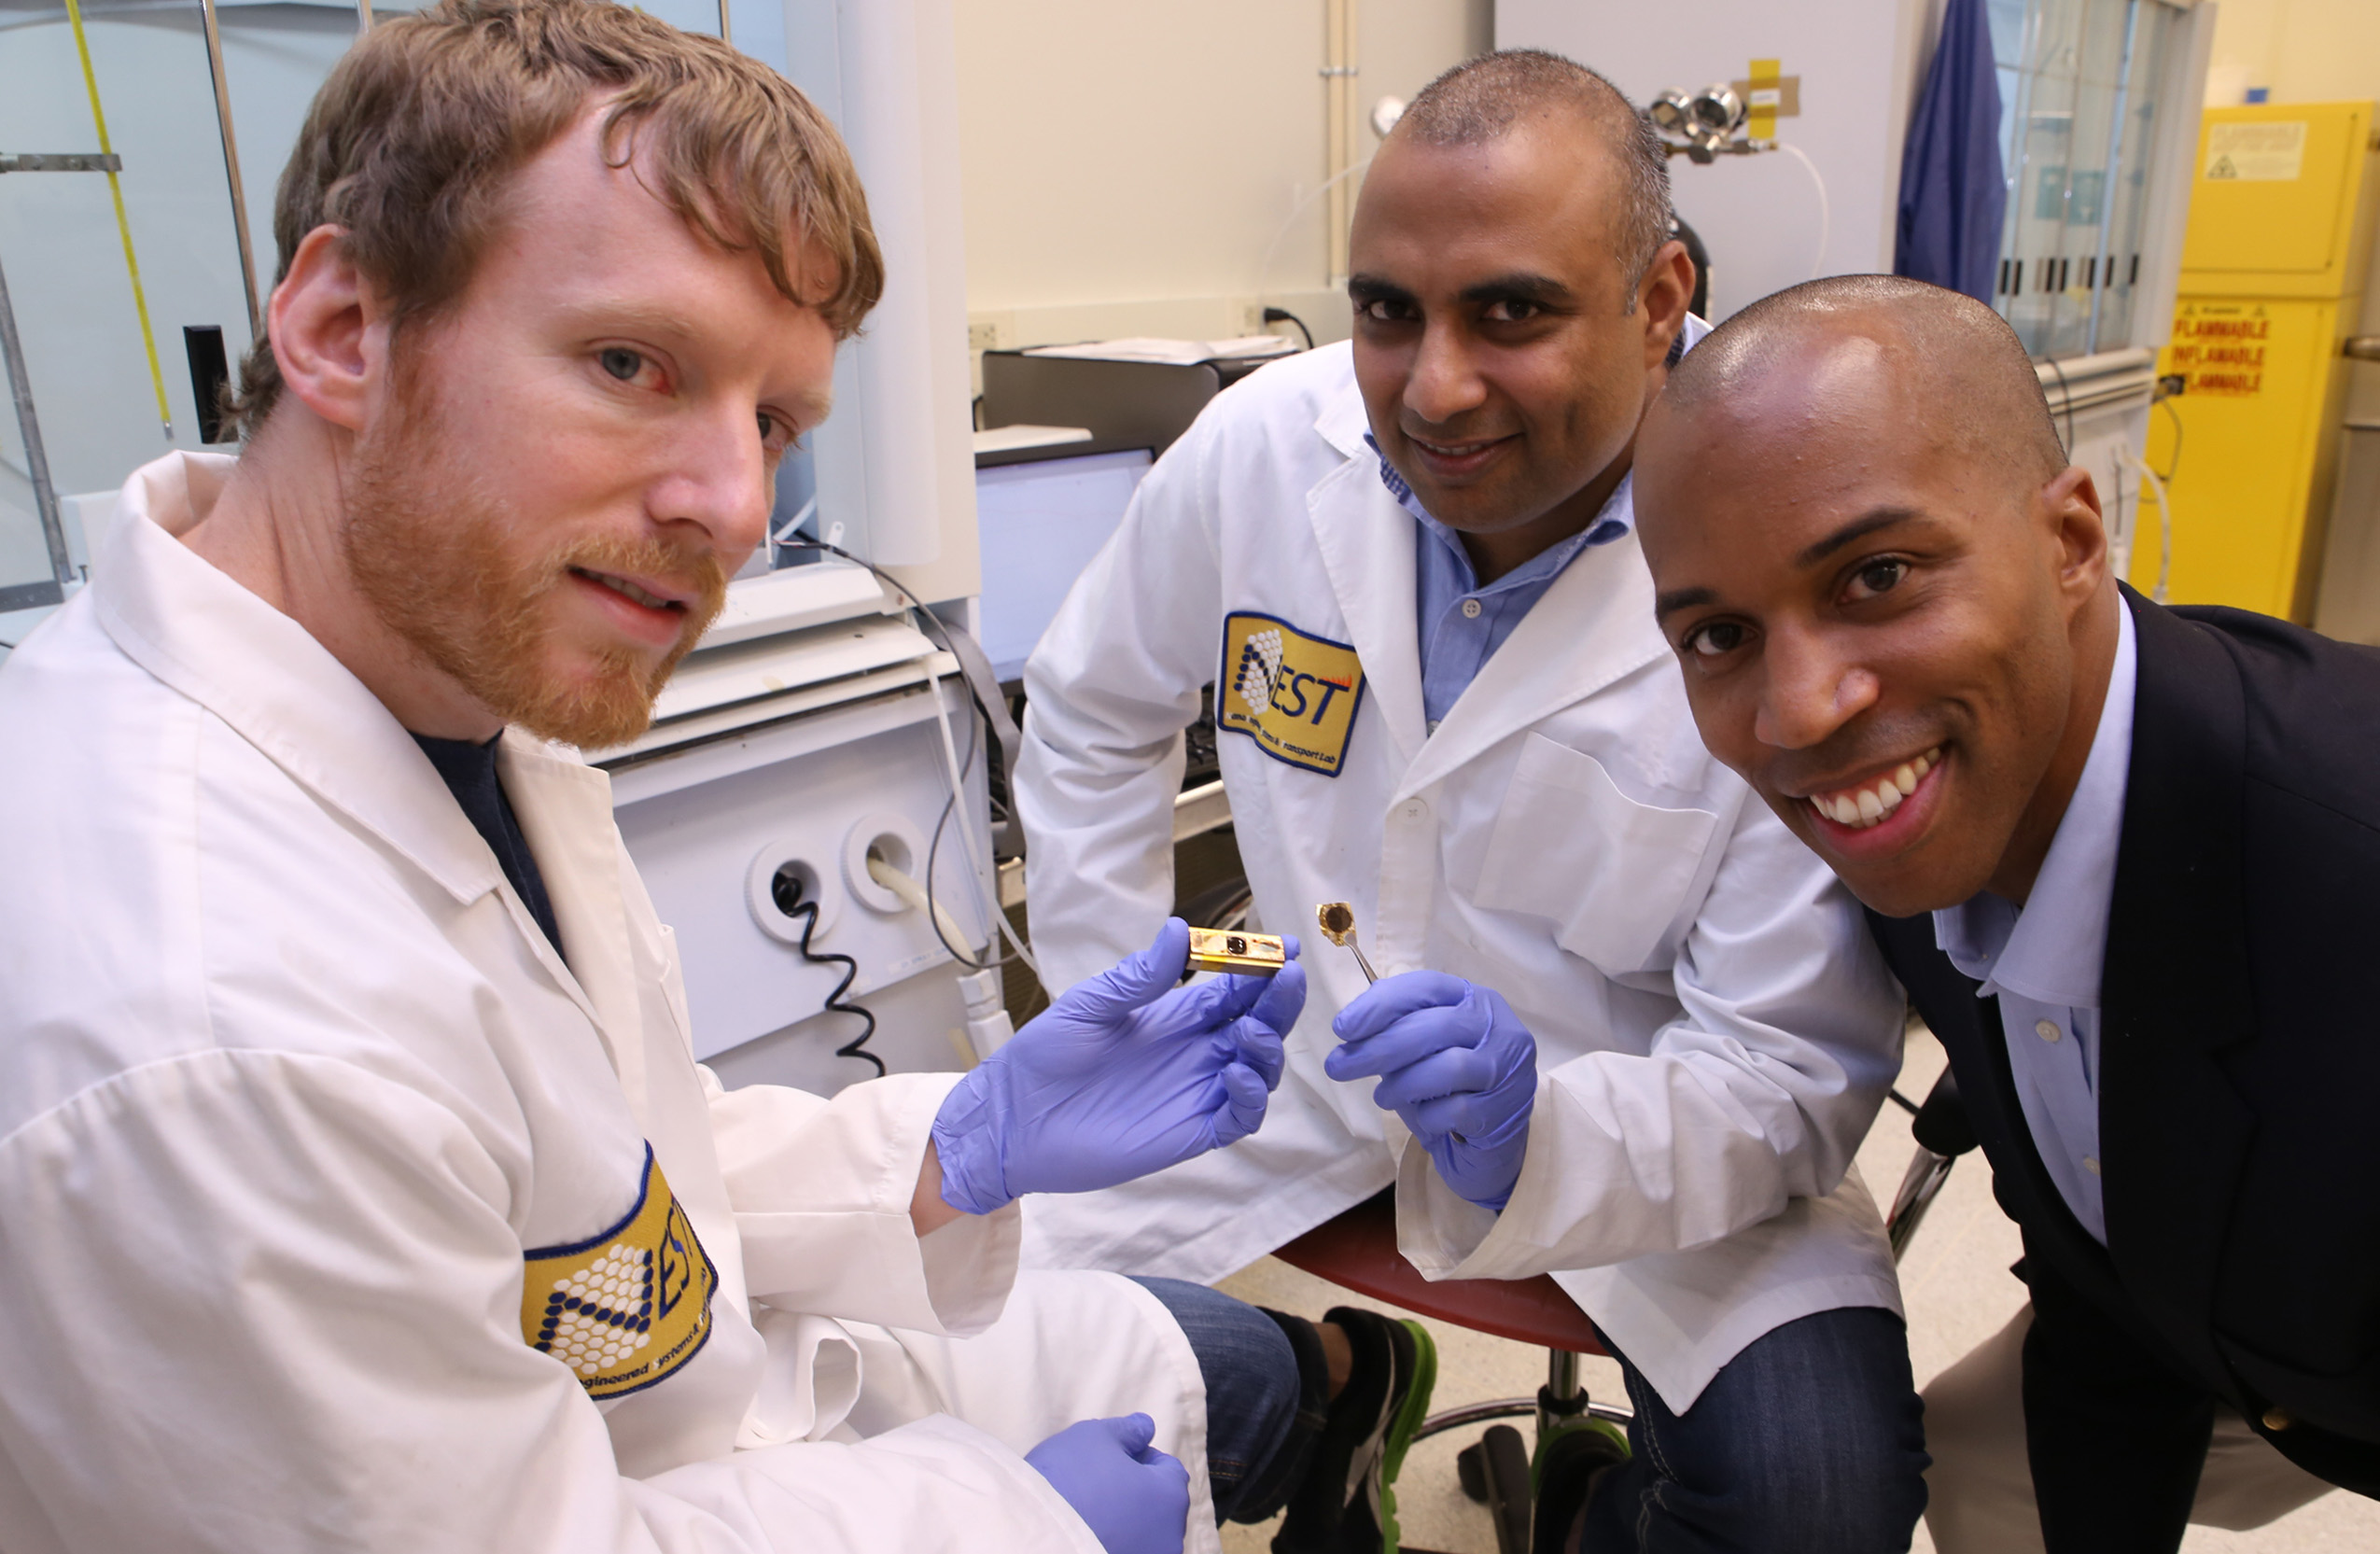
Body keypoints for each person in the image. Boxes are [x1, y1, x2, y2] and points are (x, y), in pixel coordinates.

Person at [0, 5, 1429, 1550]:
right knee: (1198, 1371)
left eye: (774, 419)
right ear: (344, 328)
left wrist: (950, 1147)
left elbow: (594, 1174)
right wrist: (1015, 1529)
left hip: (694, 1384)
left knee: (1217, 1359)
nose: (734, 505)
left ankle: (1342, 1391)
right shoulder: (205, 1026)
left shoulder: (438, 682)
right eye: (630, 362)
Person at [1015, 50, 1927, 1554]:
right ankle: (1315, 1394)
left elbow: (1782, 1065)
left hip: (1665, 1129)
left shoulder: (1800, 530)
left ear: (1656, 299)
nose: (1432, 387)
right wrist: (1123, 998)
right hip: (1302, 1076)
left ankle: (1592, 1517)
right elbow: (1093, 707)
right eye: (1386, 310)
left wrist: (1535, 1135)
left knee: (1812, 1507)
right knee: (964, 1331)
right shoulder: (1271, 442)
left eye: (1510, 311)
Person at [1630, 273, 2380, 1552]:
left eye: (1876, 573)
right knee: (1990, 1468)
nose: (1799, 711)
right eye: (1717, 635)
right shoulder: (1927, 837)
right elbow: (2103, 1271)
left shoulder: (2339, 870)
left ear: (2072, 540)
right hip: (2196, 1316)